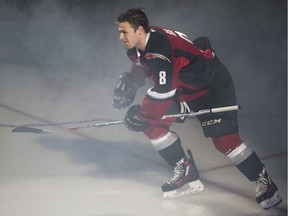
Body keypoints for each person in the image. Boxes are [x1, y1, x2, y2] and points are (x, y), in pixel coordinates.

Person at [112, 7, 282, 209]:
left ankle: (265, 182)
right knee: (151, 125)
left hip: (212, 87)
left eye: (124, 32)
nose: (120, 37)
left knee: (224, 141)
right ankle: (185, 170)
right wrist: (132, 81)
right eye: (119, 32)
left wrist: (142, 114)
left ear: (139, 30)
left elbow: (164, 90)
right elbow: (142, 63)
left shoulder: (160, 50)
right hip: (184, 89)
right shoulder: (136, 44)